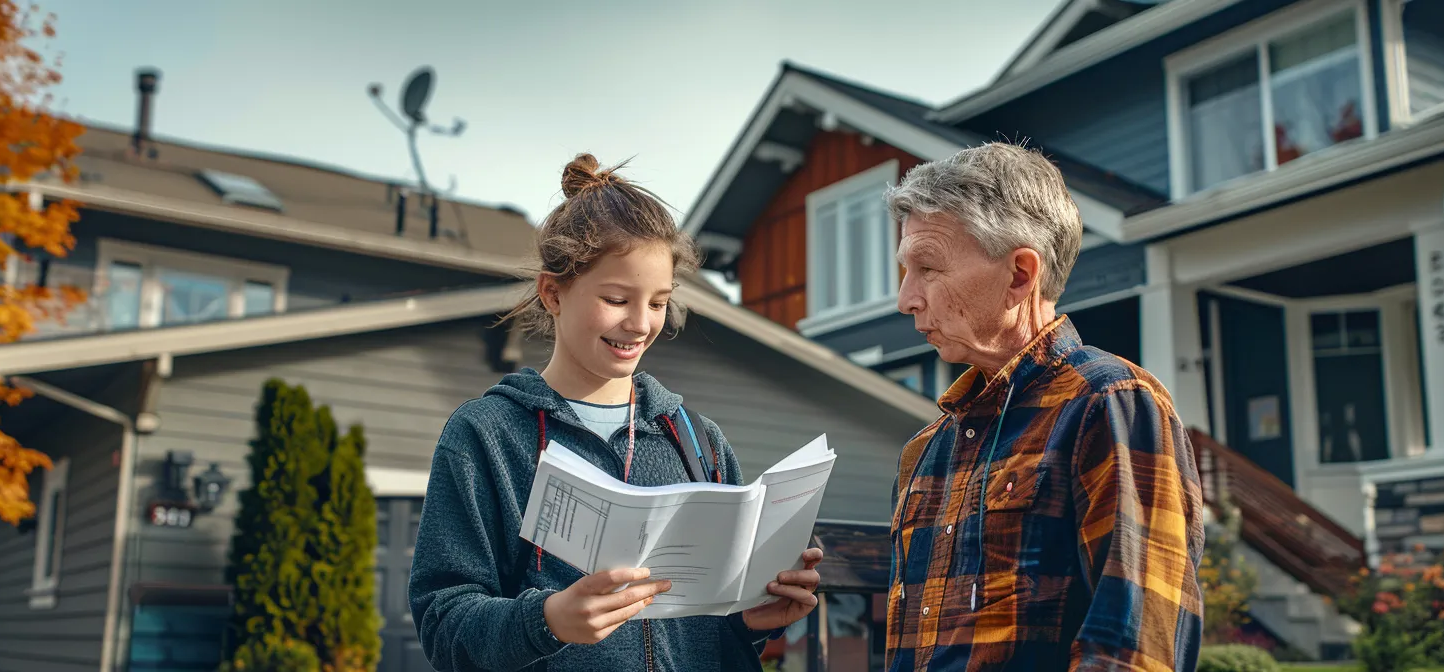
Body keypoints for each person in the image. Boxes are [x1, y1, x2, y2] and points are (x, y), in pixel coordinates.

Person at [408, 153, 824, 672]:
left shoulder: (699, 441)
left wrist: (750, 617)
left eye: (657, 302)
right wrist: (548, 621)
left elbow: (707, 631)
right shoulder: (486, 435)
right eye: (616, 298)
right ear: (552, 293)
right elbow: (444, 624)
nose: (640, 324)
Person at [882, 143, 1204, 671]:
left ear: (1020, 275)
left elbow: (1134, 650)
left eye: (928, 267)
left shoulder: (1111, 403)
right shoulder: (927, 449)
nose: (906, 298)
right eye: (905, 269)